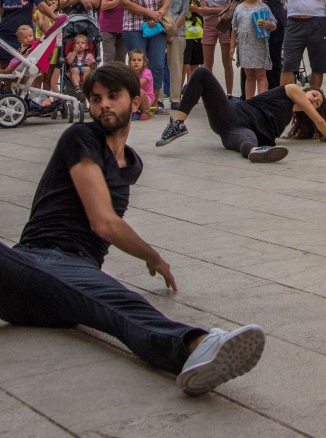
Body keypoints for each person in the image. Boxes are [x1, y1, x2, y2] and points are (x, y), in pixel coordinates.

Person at [0, 63, 265, 395]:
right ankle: (195, 346)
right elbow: (104, 221)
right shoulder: (80, 137)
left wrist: (150, 257)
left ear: (136, 102)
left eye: (113, 96)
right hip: (32, 264)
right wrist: (152, 256)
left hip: (63, 287)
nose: (104, 105)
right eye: (96, 99)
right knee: (115, 299)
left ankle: (193, 353)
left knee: (115, 304)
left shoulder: (131, 163)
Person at [156, 66, 326, 159]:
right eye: (314, 95)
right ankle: (177, 123)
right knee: (202, 73)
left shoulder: (289, 116)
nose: (314, 100)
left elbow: (317, 120)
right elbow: (319, 121)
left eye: (317, 103)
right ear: (306, 90)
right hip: (231, 115)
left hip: (232, 131)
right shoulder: (292, 89)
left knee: (247, 141)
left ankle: (256, 152)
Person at [118, 0, 171, 111]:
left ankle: (153, 103)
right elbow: (126, 3)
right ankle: (135, 102)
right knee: (136, 65)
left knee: (157, 64)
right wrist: (150, 13)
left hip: (156, 26)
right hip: (134, 26)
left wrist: (159, 13)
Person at [230, 0, 286, 90]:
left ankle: (272, 95)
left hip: (269, 18)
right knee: (247, 63)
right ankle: (247, 99)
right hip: (247, 23)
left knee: (273, 58)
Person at [0, 0, 56, 69]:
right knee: (6, 73)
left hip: (24, 39)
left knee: (22, 72)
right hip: (5, 37)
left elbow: (41, 5)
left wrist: (55, 17)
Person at [230, 0, 276, 99]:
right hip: (244, 46)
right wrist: (231, 47)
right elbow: (234, 29)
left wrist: (269, 25)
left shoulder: (263, 7)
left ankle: (262, 101)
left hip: (259, 45)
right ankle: (249, 102)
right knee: (249, 75)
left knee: (261, 74)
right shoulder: (238, 8)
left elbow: (274, 24)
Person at [197, 0, 233, 94]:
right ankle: (208, 92)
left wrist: (211, 9)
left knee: (227, 61)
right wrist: (221, 8)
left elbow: (230, 8)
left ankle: (229, 93)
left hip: (224, 23)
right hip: (209, 24)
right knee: (207, 62)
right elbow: (203, 10)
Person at [158, 0, 189, 109]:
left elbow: (185, 10)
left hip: (178, 30)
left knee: (176, 64)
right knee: (157, 63)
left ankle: (175, 98)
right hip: (158, 28)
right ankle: (158, 98)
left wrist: (173, 28)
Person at [99, 0, 128, 64]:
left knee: (121, 59)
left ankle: (119, 79)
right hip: (108, 27)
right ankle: (107, 79)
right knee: (109, 57)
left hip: (124, 27)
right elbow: (104, 5)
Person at [182, 0, 204, 87]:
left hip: (198, 33)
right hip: (185, 34)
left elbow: (204, 12)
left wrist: (197, 9)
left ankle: (191, 88)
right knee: (184, 64)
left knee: (195, 65)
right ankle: (178, 91)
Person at [127, 48, 154, 118]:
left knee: (140, 91)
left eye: (139, 60)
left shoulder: (147, 72)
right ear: (129, 62)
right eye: (133, 60)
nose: (136, 62)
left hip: (146, 99)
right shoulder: (128, 72)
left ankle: (144, 112)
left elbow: (138, 84)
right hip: (133, 97)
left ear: (144, 62)